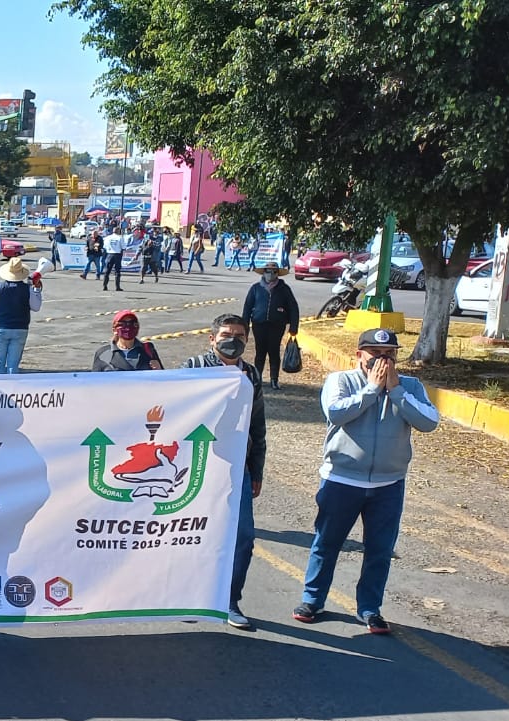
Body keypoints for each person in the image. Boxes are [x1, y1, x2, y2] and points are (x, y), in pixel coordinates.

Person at [293, 329, 439, 635]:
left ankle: (369, 608)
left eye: (389, 354)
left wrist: (397, 392)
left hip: (389, 483)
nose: (383, 360)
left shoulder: (409, 385)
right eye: (374, 354)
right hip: (342, 479)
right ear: (359, 355)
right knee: (327, 542)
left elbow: (429, 422)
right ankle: (312, 599)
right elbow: (335, 413)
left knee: (380, 549)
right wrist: (372, 390)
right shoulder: (342, 381)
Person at [181, 313, 266, 630]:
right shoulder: (193, 369)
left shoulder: (251, 374)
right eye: (227, 334)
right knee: (192, 533)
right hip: (198, 467)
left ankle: (229, 601)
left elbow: (258, 426)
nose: (234, 341)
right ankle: (192, 597)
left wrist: (256, 468)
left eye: (241, 336)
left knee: (243, 537)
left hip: (236, 470)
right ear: (212, 338)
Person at [241, 262, 300, 390]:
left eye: (274, 272)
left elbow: (293, 308)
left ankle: (274, 379)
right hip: (259, 324)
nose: (271, 274)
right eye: (268, 271)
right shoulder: (255, 288)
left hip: (277, 325)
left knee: (274, 352)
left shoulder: (284, 289)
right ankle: (257, 378)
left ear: (278, 274)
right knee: (260, 352)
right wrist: (244, 326)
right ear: (264, 272)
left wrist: (293, 328)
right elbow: (247, 307)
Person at [0, 257, 44, 375]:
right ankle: (12, 389)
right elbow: (36, 307)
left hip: (1, 327)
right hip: (20, 328)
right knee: (13, 364)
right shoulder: (28, 289)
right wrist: (37, 290)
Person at [92, 310, 162, 371]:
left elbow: (163, 380)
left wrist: (159, 370)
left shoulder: (148, 350)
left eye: (132, 323)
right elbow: (94, 382)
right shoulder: (103, 353)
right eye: (123, 324)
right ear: (114, 329)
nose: (128, 328)